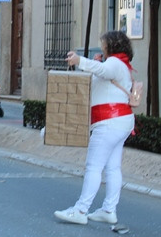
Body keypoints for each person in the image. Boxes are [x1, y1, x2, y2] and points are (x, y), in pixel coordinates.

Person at [54, 30, 136, 225]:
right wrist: (93, 64)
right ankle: (109, 209)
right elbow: (101, 75)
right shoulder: (121, 64)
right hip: (121, 121)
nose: (102, 47)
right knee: (113, 167)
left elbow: (104, 72)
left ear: (111, 46)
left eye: (104, 44)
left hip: (109, 121)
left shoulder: (114, 63)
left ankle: (81, 210)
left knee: (94, 166)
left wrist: (80, 61)